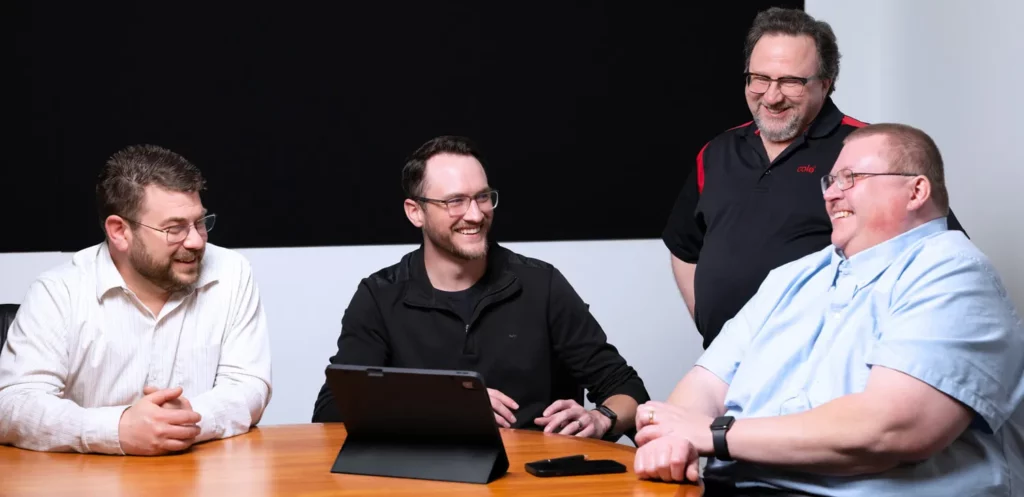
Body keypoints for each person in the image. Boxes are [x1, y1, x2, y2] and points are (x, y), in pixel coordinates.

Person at [633, 123, 1023, 495]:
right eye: (830, 181)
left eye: (850, 178)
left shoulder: (952, 270)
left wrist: (713, 434)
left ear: (916, 191)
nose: (831, 193)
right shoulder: (794, 276)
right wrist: (672, 438)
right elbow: (704, 384)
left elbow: (890, 429)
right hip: (734, 487)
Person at [661, 7, 966, 349]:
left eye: (791, 81)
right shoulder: (717, 152)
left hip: (824, 373)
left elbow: (942, 253)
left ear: (826, 82)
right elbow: (685, 247)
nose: (772, 96)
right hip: (725, 372)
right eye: (759, 78)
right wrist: (713, 326)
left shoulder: (870, 151)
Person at [312, 135, 649, 441]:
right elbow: (331, 411)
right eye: (455, 201)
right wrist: (449, 407)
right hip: (424, 483)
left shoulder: (541, 285)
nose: (475, 214)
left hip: (535, 482)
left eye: (483, 197)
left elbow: (627, 389)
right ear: (416, 212)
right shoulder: (380, 295)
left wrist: (601, 418)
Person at [0, 144, 273, 455]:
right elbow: (13, 404)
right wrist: (117, 429)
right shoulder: (58, 292)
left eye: (200, 222)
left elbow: (248, 386)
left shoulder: (232, 273)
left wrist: (183, 422)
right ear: (119, 232)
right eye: (174, 229)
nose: (197, 241)